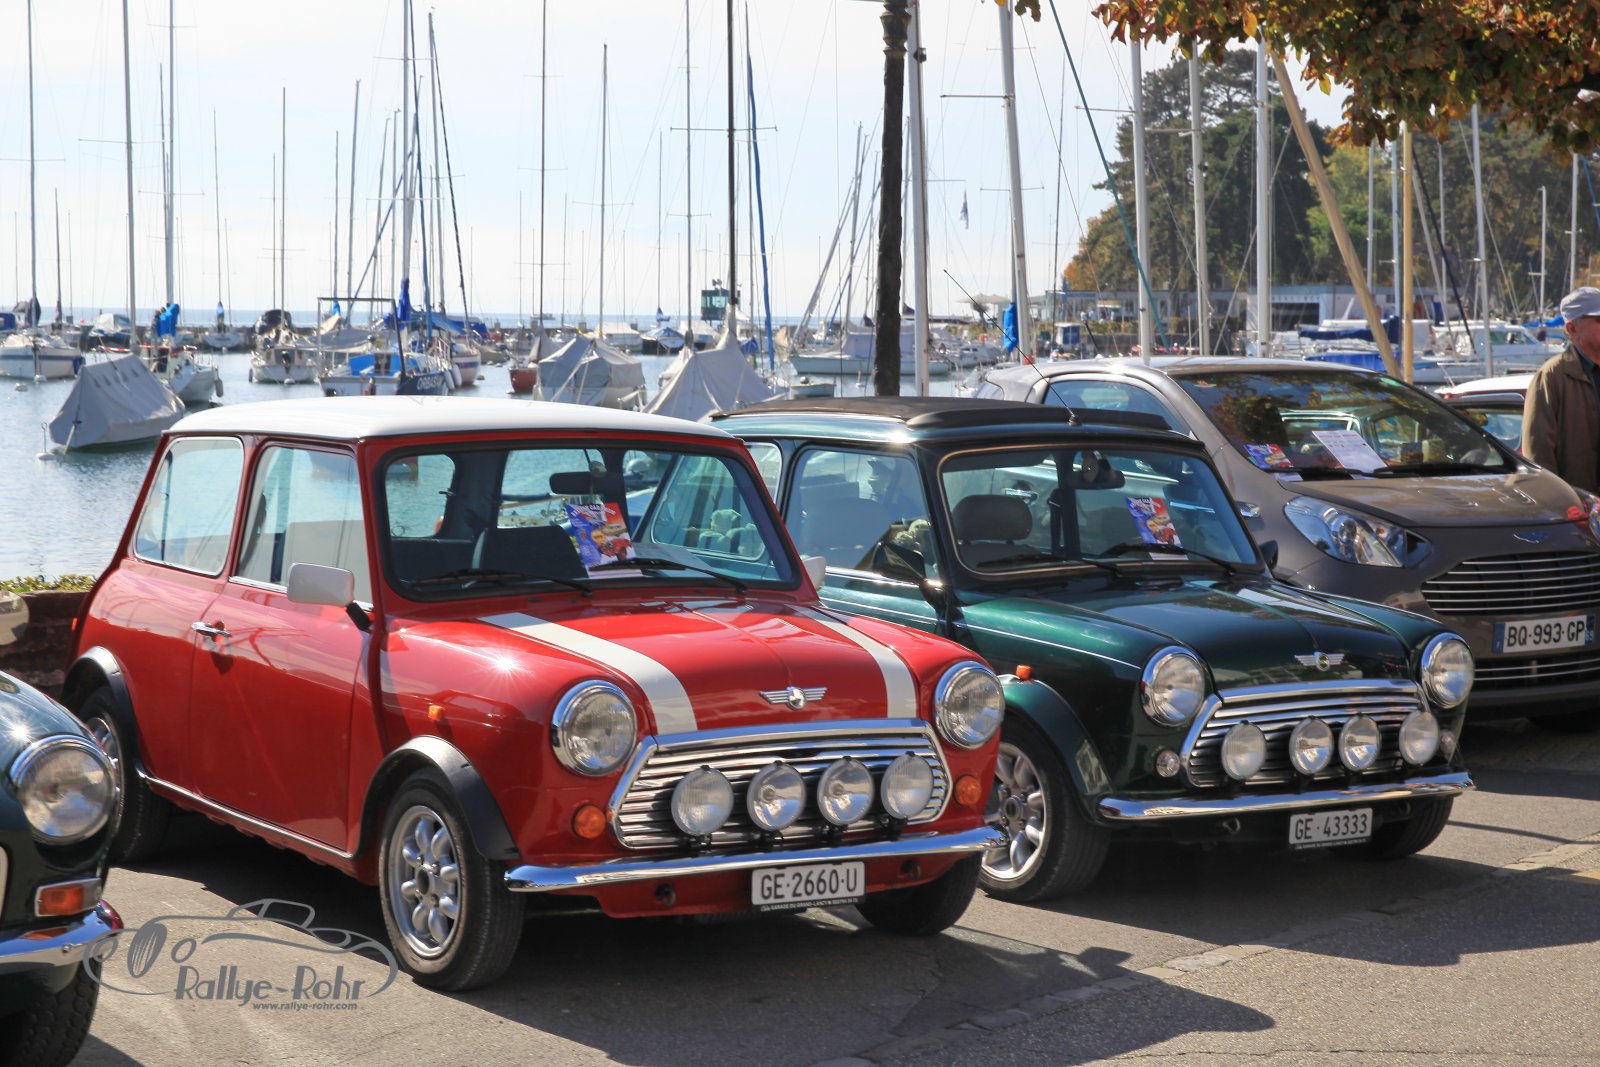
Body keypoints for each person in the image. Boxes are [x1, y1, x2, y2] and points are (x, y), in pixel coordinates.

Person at [1523, 286, 1600, 493]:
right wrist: (1560, 502)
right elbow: (1538, 452)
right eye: (1599, 320)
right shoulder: (1552, 376)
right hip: (1578, 505)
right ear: (1572, 329)